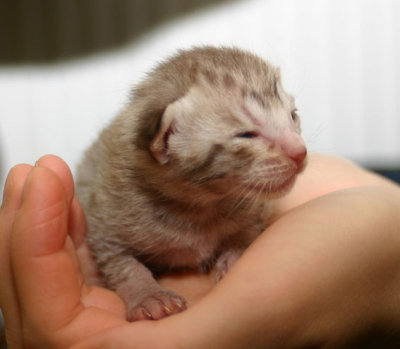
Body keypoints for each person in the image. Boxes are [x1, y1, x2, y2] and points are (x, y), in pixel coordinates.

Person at [1, 153, 400, 348]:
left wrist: (382, 230)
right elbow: (107, 241)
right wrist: (139, 288)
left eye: (292, 114)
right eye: (246, 135)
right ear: (167, 145)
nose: (299, 150)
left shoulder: (251, 197)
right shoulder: (130, 201)